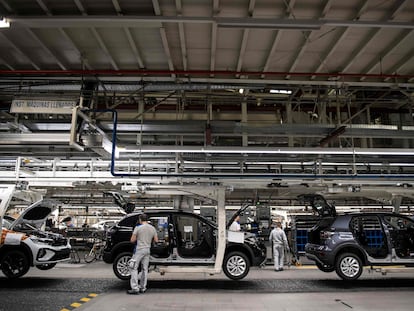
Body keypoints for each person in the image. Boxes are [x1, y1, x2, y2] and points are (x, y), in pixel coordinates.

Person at [128, 213, 158, 295]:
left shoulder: (138, 228)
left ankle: (135, 288)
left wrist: (138, 237)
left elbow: (132, 240)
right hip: (147, 250)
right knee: (145, 269)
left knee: (133, 267)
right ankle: (143, 287)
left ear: (140, 220)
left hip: (139, 250)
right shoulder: (152, 228)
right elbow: (156, 240)